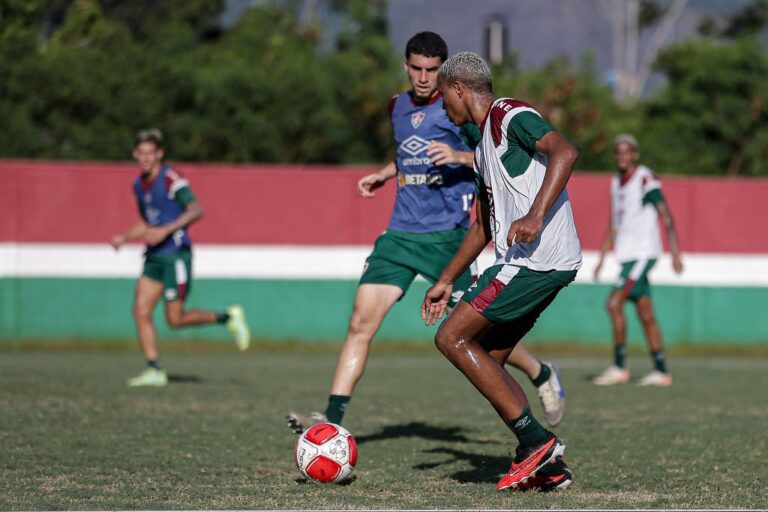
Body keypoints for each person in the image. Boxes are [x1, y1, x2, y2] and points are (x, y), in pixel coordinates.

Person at [286, 32, 566, 434]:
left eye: (432, 70)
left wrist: (457, 155)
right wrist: (385, 175)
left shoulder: (457, 107)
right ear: (405, 66)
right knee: (361, 321)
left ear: (445, 72)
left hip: (448, 238)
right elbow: (407, 152)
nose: (423, 77)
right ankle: (330, 421)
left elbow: (496, 153)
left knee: (474, 332)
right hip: (400, 235)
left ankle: (539, 372)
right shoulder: (396, 106)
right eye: (416, 68)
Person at [422, 51, 581, 491]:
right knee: (489, 357)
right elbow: (483, 226)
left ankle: (537, 442)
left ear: (458, 88)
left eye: (443, 97)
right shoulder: (481, 148)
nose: (444, 109)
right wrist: (445, 280)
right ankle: (547, 468)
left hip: (535, 259)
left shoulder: (509, 114)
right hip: (531, 261)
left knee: (451, 338)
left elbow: (565, 151)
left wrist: (534, 215)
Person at [111, 129, 251, 387]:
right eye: (140, 153)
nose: (145, 158)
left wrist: (166, 230)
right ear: (135, 154)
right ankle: (154, 370)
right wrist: (125, 237)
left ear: (159, 154)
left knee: (175, 320)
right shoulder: (138, 185)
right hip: (154, 256)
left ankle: (227, 317)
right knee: (140, 311)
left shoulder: (170, 179)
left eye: (150, 153)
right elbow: (146, 221)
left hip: (175, 255)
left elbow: (196, 209)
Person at [591, 134, 683, 387]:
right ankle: (661, 371)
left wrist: (675, 252)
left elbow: (665, 213)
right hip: (627, 256)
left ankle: (619, 367)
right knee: (645, 314)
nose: (622, 155)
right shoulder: (615, 183)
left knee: (613, 303)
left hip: (643, 254)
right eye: (617, 151)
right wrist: (601, 257)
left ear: (635, 154)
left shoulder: (645, 177)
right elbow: (615, 221)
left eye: (627, 151)